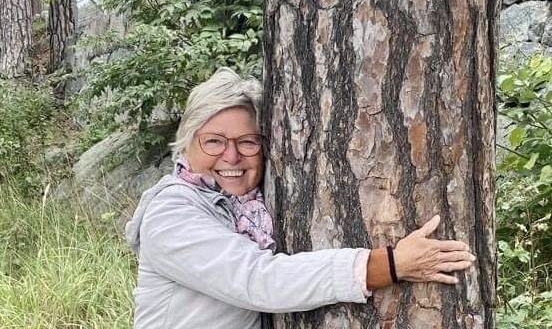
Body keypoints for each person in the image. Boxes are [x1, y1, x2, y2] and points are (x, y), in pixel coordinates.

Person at [125, 67, 475, 329]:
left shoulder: (249, 209)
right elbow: (259, 281)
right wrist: (391, 264)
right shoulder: (171, 213)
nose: (231, 157)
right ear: (186, 144)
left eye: (247, 142)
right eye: (214, 141)